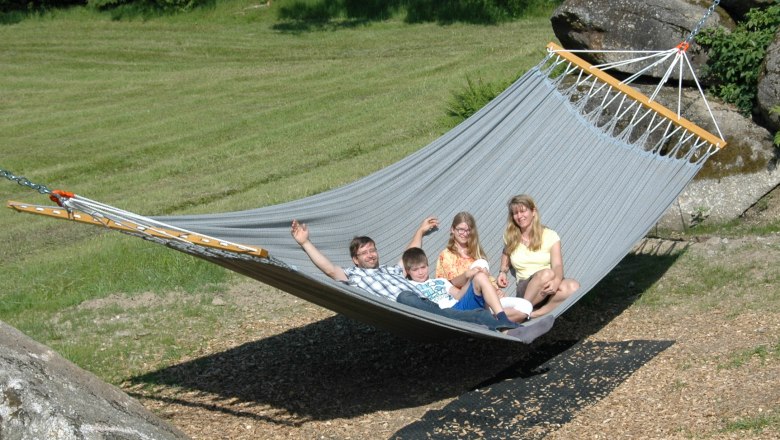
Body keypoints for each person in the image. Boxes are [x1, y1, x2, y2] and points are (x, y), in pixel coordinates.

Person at [290, 217, 555, 343]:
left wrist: (419, 230)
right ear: (355, 260)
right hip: (402, 303)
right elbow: (328, 269)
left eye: (372, 250)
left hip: (426, 302)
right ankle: (511, 328)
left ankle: (511, 331)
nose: (370, 255)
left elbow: (410, 252)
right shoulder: (354, 275)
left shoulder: (393, 270)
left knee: (463, 315)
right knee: (423, 302)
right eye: (364, 253)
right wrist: (305, 243)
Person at [496, 194, 580, 319]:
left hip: (548, 287)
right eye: (515, 213)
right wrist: (503, 271)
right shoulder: (511, 236)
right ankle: (522, 309)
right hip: (527, 289)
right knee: (547, 273)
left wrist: (557, 282)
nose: (519, 216)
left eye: (523, 211)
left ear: (533, 212)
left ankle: (532, 314)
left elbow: (557, 265)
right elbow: (506, 252)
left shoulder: (550, 235)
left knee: (573, 286)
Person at [402, 247, 524, 326]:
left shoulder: (441, 281)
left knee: (480, 276)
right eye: (415, 270)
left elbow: (459, 295)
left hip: (459, 306)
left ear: (428, 266)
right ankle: (498, 322)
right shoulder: (409, 286)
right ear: (408, 271)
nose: (420, 272)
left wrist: (470, 279)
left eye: (423, 267)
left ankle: (502, 318)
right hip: (442, 315)